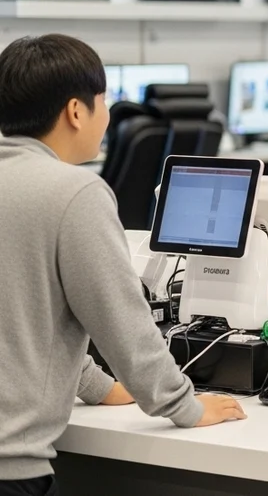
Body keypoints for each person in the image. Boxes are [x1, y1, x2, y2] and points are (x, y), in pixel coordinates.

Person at [0, 35, 244, 494]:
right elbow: (122, 322)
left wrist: (98, 387)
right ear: (76, 111)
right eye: (104, 101)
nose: (107, 115)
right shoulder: (73, 193)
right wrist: (183, 405)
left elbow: (25, 318)